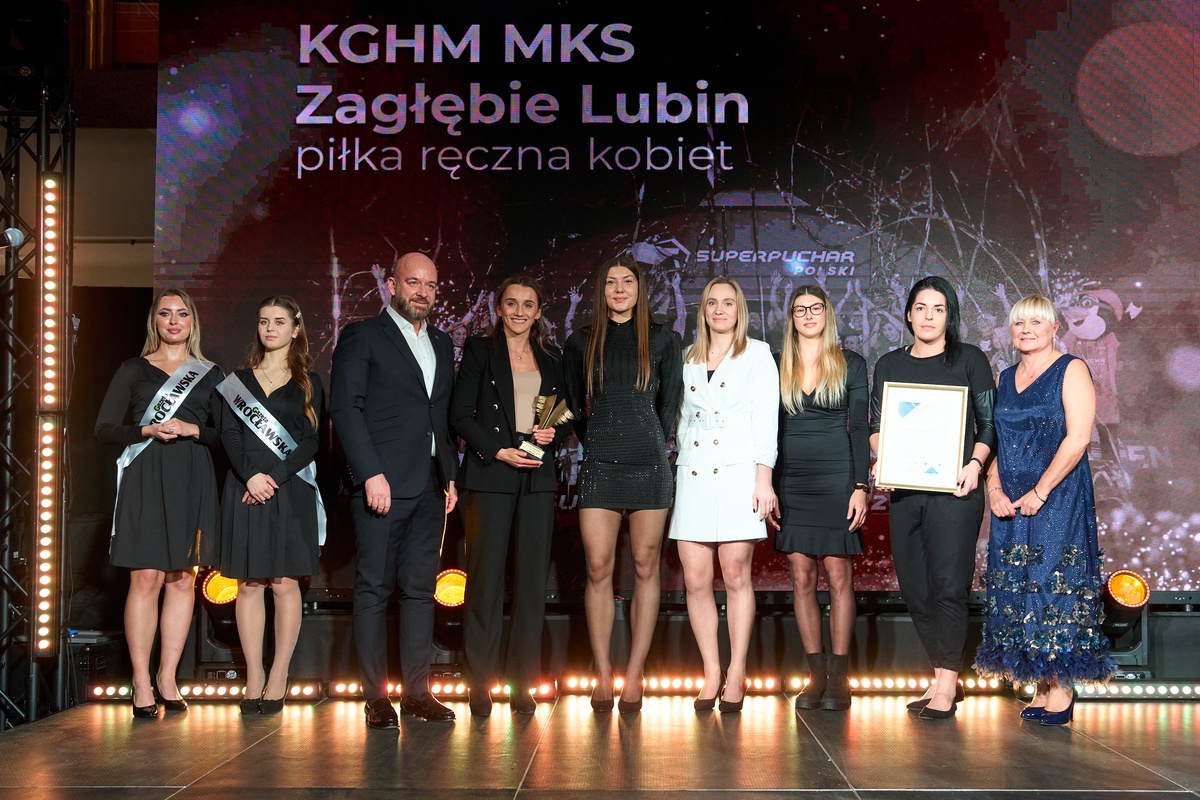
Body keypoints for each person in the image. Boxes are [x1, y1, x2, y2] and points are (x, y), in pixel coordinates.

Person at [329, 251, 459, 728]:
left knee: (421, 591)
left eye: (430, 285)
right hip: (381, 484)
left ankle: (417, 694)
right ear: (391, 284)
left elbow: (439, 414)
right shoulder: (363, 335)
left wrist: (449, 473)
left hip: (430, 485)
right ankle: (376, 697)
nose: (422, 292)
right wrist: (369, 473)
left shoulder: (441, 342)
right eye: (413, 282)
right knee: (374, 588)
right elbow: (345, 408)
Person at [974, 295, 1115, 725]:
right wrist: (993, 489)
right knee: (1019, 586)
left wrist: (1041, 490)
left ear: (1055, 328)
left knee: (1054, 583)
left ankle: (1062, 686)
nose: (1026, 329)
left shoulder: (1071, 368)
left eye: (1036, 322)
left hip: (1058, 496)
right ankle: (1040, 682)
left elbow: (1078, 437)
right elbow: (994, 440)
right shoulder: (1003, 377)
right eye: (1019, 323)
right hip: (1011, 502)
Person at [869, 275, 996, 720]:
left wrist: (975, 464)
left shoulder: (970, 360)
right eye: (921, 308)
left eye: (938, 309)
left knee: (948, 586)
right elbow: (876, 427)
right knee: (915, 587)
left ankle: (946, 684)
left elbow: (988, 424)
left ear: (950, 316)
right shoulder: (889, 364)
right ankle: (943, 673)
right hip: (906, 492)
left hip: (955, 492)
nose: (928, 316)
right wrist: (883, 459)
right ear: (908, 314)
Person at [95, 288, 223, 718]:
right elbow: (103, 428)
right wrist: (146, 431)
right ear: (155, 320)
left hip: (191, 477)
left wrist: (193, 429)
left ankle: (168, 677)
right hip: (145, 476)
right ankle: (140, 681)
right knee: (146, 578)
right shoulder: (133, 369)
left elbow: (225, 435)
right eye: (165, 313)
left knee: (182, 579)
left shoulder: (210, 373)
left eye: (181, 314)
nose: (173, 321)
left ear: (192, 322)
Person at [563, 254, 683, 713]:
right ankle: (601, 674)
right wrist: (600, 440)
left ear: (638, 288)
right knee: (598, 567)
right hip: (600, 465)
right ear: (602, 290)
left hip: (650, 465)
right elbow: (573, 405)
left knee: (646, 566)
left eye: (627, 281)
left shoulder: (663, 338)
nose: (619, 288)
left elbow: (669, 405)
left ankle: (634, 674)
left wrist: (647, 439)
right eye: (611, 281)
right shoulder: (581, 340)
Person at [449, 275, 571, 717]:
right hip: (491, 471)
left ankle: (522, 684)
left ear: (539, 312)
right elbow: (460, 414)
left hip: (536, 474)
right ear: (499, 308)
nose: (520, 311)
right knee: (484, 581)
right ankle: (479, 683)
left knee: (532, 582)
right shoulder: (480, 351)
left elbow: (562, 414)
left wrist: (548, 436)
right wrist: (498, 451)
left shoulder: (551, 357)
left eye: (528, 305)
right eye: (512, 303)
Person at [668, 278, 779, 713]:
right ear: (703, 310)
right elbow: (681, 420)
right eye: (712, 302)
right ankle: (711, 671)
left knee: (735, 575)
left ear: (739, 310)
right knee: (696, 580)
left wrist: (763, 479)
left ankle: (737, 671)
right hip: (695, 474)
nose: (719, 309)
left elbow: (766, 420)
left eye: (728, 303)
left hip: (738, 475)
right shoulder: (687, 357)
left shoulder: (758, 354)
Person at [216, 296, 325, 715]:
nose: (270, 329)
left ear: (295, 329)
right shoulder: (236, 382)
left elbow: (312, 441)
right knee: (249, 582)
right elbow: (229, 434)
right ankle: (254, 676)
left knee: (283, 582)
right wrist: (251, 476)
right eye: (264, 321)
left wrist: (273, 478)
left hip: (289, 488)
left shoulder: (310, 382)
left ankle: (279, 674)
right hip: (245, 487)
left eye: (279, 322)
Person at [774, 285, 869, 712]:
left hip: (837, 480)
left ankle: (840, 677)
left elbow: (861, 428)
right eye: (800, 309)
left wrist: (860, 486)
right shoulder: (776, 364)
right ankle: (816, 675)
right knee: (801, 578)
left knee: (839, 576)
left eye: (816, 308)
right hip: (792, 481)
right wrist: (767, 484)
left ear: (827, 314)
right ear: (791, 318)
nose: (808, 315)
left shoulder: (851, 363)